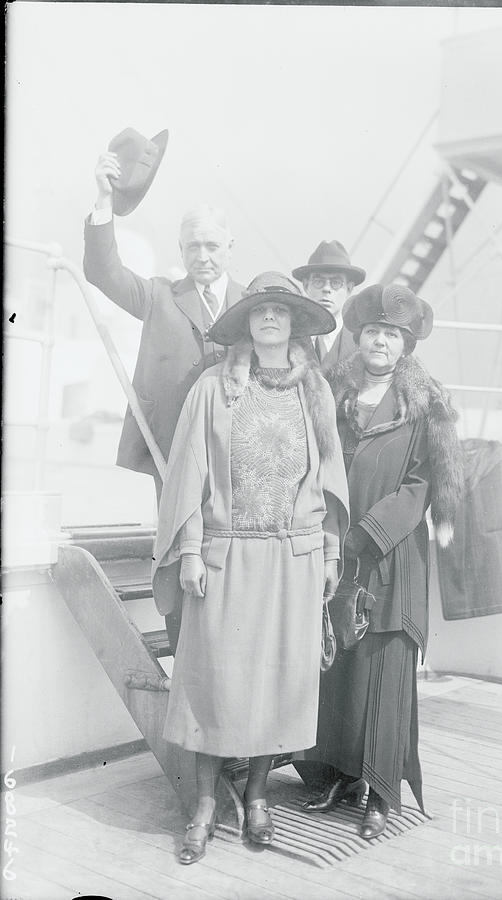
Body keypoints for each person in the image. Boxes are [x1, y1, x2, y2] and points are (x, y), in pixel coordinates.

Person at [151, 272, 349, 863]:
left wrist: (330, 553)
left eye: (280, 310)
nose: (269, 318)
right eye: (259, 309)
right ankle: (204, 806)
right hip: (225, 555)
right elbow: (188, 473)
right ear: (244, 322)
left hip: (293, 559)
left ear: (294, 323)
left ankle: (259, 796)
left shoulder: (315, 390)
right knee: (213, 684)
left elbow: (330, 478)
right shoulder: (214, 386)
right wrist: (190, 551)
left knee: (275, 683)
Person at [302, 283, 464, 839]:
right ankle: (339, 776)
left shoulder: (424, 404)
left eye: (392, 335)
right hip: (336, 550)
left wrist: (364, 536)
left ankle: (381, 791)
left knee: (384, 670)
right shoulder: (332, 394)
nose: (380, 342)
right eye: (372, 331)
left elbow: (421, 485)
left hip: (390, 556)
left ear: (406, 345)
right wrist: (332, 536)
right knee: (339, 668)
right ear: (359, 336)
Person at [83, 131, 244, 651]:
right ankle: (185, 668)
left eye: (212, 245)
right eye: (193, 246)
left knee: (236, 563)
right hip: (173, 457)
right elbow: (103, 271)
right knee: (177, 557)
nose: (203, 255)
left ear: (230, 247)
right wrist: (104, 198)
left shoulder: (255, 307)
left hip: (241, 461)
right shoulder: (158, 297)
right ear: (180, 250)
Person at [292, 240, 365, 374]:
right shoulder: (290, 334)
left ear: (349, 289)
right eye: (318, 281)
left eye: (336, 282)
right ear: (306, 286)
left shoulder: (360, 343)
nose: (326, 289)